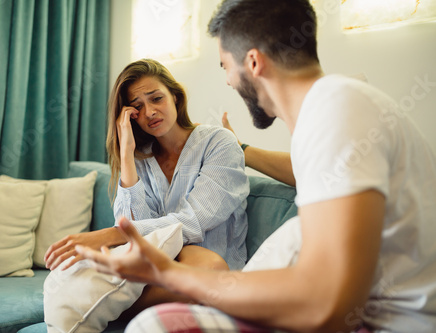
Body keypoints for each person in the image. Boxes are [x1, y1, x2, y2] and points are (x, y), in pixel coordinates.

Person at [74, 0, 436, 332]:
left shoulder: (337, 109)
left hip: (391, 323)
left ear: (252, 62)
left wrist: (170, 274)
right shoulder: (331, 110)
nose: (229, 80)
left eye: (225, 66)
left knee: (155, 325)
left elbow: (328, 303)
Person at [44, 58, 250, 313]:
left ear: (175, 96)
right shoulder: (141, 157)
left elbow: (194, 221)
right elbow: (136, 238)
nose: (150, 112)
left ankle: (104, 306)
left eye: (156, 98)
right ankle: (100, 302)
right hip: (154, 274)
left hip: (211, 274)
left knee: (209, 264)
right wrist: (127, 154)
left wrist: (106, 236)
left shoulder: (219, 143)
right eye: (137, 107)